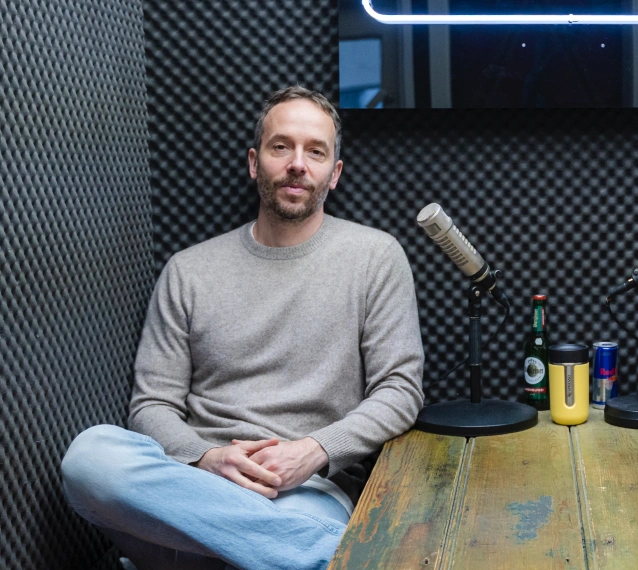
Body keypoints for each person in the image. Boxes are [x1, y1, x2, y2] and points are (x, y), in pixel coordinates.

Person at [62, 86, 425, 570]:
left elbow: (400, 390)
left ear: (333, 173)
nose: (297, 163)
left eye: (315, 151)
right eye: (281, 146)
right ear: (255, 163)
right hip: (190, 485)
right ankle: (328, 559)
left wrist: (313, 451)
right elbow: (152, 404)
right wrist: (204, 458)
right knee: (90, 458)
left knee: (294, 533)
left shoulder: (376, 258)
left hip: (305, 494)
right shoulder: (188, 270)